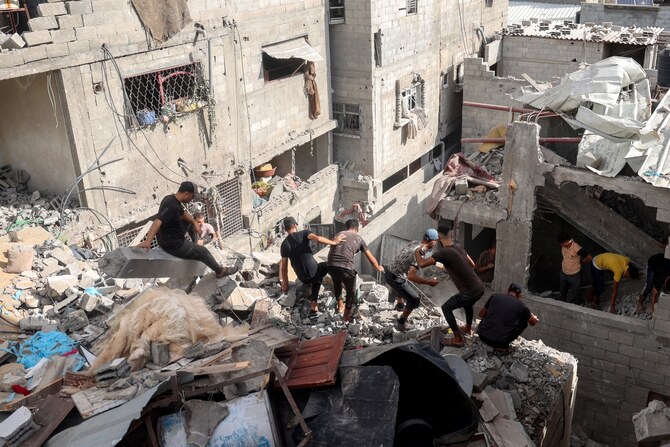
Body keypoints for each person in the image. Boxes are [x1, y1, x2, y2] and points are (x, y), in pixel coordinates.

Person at [137, 181, 237, 278]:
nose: (192, 200)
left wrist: (194, 223)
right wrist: (148, 241)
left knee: (190, 223)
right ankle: (220, 271)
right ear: (187, 194)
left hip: (171, 236)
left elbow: (183, 214)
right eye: (192, 197)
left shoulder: (171, 199)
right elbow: (157, 221)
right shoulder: (172, 206)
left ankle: (196, 243)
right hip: (173, 245)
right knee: (203, 252)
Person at [415, 225, 484, 347]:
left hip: (468, 291)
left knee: (446, 308)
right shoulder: (458, 246)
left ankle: (458, 339)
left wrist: (417, 250)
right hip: (479, 287)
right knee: (468, 304)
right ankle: (468, 328)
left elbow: (421, 263)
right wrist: (453, 268)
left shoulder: (442, 252)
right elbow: (472, 264)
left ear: (439, 238)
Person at [279, 216, 345, 314]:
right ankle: (340, 303)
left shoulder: (284, 245)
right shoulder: (304, 233)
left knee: (317, 278)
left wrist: (285, 285)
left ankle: (314, 303)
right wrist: (334, 242)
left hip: (303, 278)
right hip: (314, 272)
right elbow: (318, 239)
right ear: (295, 225)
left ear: (285, 229)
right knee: (328, 266)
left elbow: (284, 268)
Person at [327, 219, 384, 322]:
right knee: (351, 291)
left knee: (337, 284)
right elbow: (370, 257)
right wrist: (378, 267)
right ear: (357, 229)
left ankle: (340, 306)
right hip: (346, 266)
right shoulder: (359, 238)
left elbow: (332, 246)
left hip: (331, 264)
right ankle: (346, 315)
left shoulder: (339, 234)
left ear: (346, 227)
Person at [384, 229, 440, 330]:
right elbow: (411, 276)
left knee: (404, 285)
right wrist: (428, 282)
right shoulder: (419, 253)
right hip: (395, 276)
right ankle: (401, 323)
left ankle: (400, 305)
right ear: (432, 242)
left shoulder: (415, 243)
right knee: (414, 299)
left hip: (390, 269)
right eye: (436, 241)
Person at [477, 283, 539, 353]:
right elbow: (532, 323)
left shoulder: (495, 296)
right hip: (499, 342)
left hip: (482, 335)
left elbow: (481, 314)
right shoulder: (522, 307)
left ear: (507, 291)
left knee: (490, 312)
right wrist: (533, 317)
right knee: (524, 322)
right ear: (520, 295)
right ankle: (502, 347)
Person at [557, 232, 591, 304]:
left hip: (574, 275)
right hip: (563, 273)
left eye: (562, 243)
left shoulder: (577, 249)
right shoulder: (564, 246)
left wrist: (581, 261)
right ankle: (561, 304)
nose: (561, 245)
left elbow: (589, 257)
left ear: (567, 241)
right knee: (562, 292)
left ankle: (576, 305)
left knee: (576, 294)